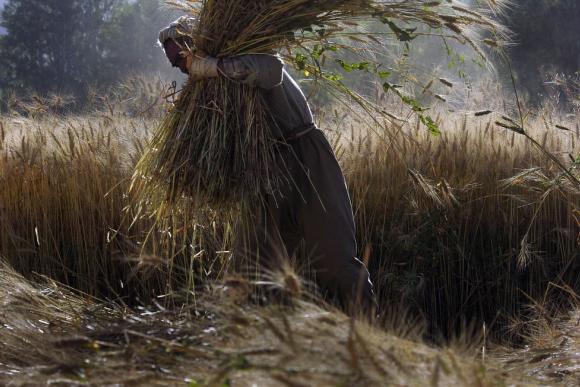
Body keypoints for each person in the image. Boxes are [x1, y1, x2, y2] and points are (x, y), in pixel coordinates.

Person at [159, 17, 376, 315]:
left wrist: (209, 66)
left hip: (306, 157)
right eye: (174, 62)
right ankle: (251, 343)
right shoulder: (208, 93)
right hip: (264, 172)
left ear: (194, 43)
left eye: (179, 56)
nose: (178, 66)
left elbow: (271, 71)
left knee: (335, 260)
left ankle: (367, 329)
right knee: (250, 270)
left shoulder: (244, 55)